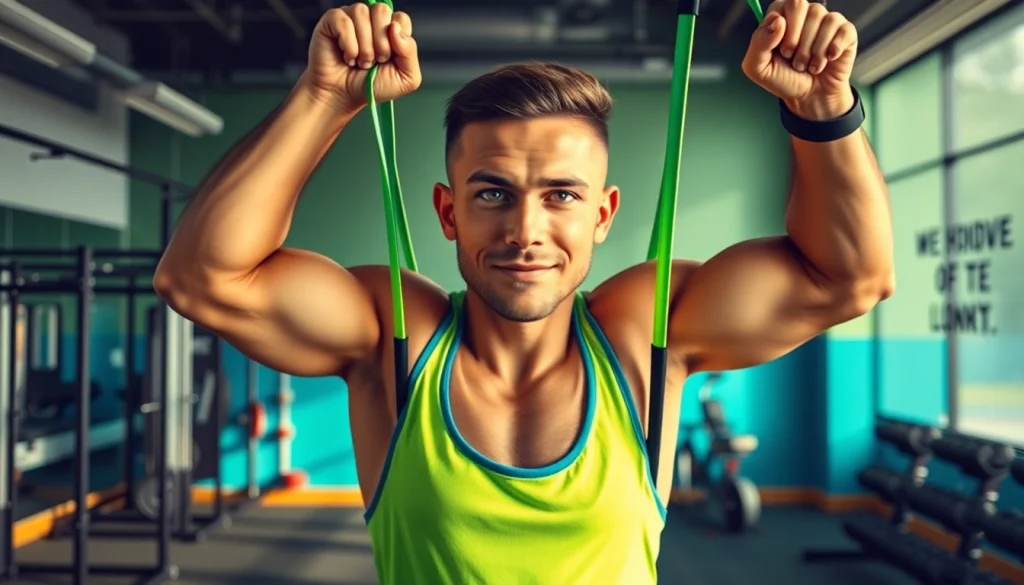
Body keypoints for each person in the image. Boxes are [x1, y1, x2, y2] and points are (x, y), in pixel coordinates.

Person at [154, 0, 894, 581]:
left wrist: (824, 109)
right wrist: (323, 98)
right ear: (449, 211)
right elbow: (200, 277)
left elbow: (850, 276)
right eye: (493, 193)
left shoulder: (645, 332)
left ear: (603, 214)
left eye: (562, 195)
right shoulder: (397, 335)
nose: (525, 230)